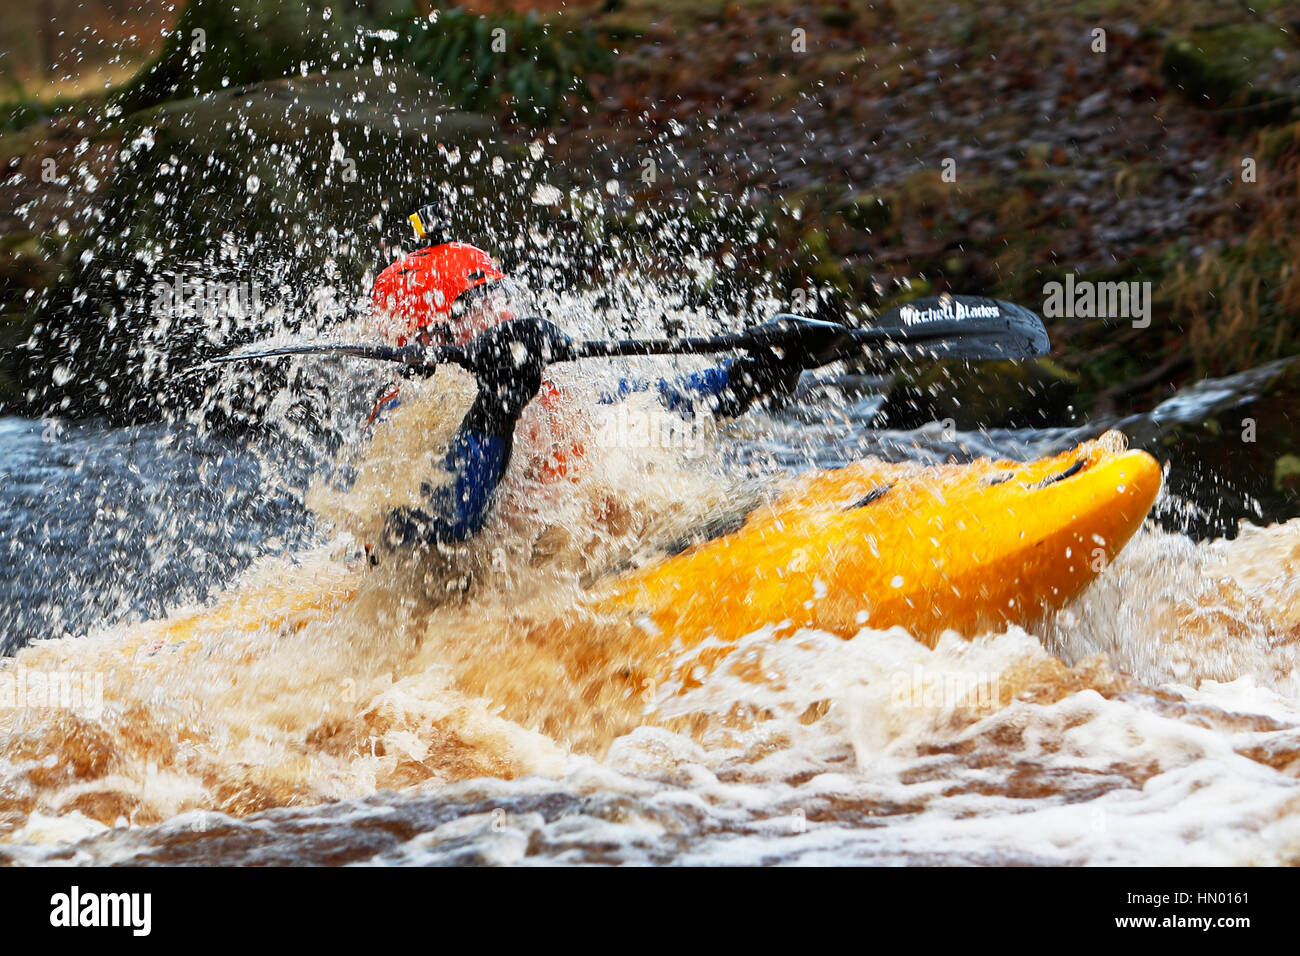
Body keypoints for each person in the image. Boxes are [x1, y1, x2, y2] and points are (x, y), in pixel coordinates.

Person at [367, 204, 830, 550]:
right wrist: (498, 404)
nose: (501, 315)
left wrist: (758, 369)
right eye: (476, 306)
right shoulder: (400, 422)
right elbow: (450, 521)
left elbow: (661, 406)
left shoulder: (538, 384)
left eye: (497, 296)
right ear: (424, 338)